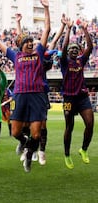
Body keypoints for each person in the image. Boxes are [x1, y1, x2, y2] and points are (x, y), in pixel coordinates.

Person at [0, 0, 51, 172]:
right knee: (15, 132)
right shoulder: (16, 56)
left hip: (36, 96)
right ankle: (24, 143)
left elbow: (47, 30)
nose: (30, 43)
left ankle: (29, 153)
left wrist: (46, 9)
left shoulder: (38, 54)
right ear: (21, 45)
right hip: (20, 96)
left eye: (32, 41)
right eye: (27, 42)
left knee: (36, 134)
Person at [60, 18, 94, 169]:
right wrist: (68, 29)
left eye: (76, 49)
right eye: (71, 49)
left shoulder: (81, 61)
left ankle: (83, 149)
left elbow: (91, 46)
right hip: (68, 98)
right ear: (68, 52)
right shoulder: (64, 62)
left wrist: (85, 30)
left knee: (90, 124)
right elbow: (65, 45)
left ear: (79, 52)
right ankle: (67, 154)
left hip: (82, 97)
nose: (74, 50)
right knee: (69, 127)